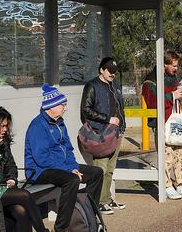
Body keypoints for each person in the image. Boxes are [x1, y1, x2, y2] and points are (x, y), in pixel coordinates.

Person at [25, 83, 103, 232]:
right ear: (51, 106)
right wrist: (69, 170)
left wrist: (73, 167)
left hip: (62, 166)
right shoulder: (37, 126)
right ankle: (61, 227)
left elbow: (68, 149)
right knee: (71, 180)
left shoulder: (60, 123)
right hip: (40, 171)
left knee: (96, 173)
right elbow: (42, 158)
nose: (65, 108)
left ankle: (87, 214)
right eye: (63, 105)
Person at [0, 106, 48, 232]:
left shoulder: (3, 140)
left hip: (2, 187)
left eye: (7, 126)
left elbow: (11, 165)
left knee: (20, 211)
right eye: (2, 126)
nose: (5, 129)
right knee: (24, 195)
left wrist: (11, 179)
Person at [141, 50, 182, 200]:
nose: (176, 69)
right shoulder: (151, 81)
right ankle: (166, 185)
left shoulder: (174, 78)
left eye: (176, 66)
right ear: (164, 64)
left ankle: (181, 184)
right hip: (162, 123)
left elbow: (176, 96)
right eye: (173, 66)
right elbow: (153, 100)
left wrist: (181, 89)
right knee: (166, 156)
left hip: (175, 121)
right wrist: (172, 95)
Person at [79, 57, 126, 214]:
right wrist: (106, 120)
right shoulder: (92, 86)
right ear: (101, 70)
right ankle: (98, 202)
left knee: (110, 169)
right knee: (101, 169)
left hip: (116, 133)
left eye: (114, 72)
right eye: (109, 71)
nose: (112, 74)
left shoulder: (115, 86)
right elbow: (86, 110)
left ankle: (106, 200)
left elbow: (120, 108)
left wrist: (122, 126)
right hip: (100, 134)